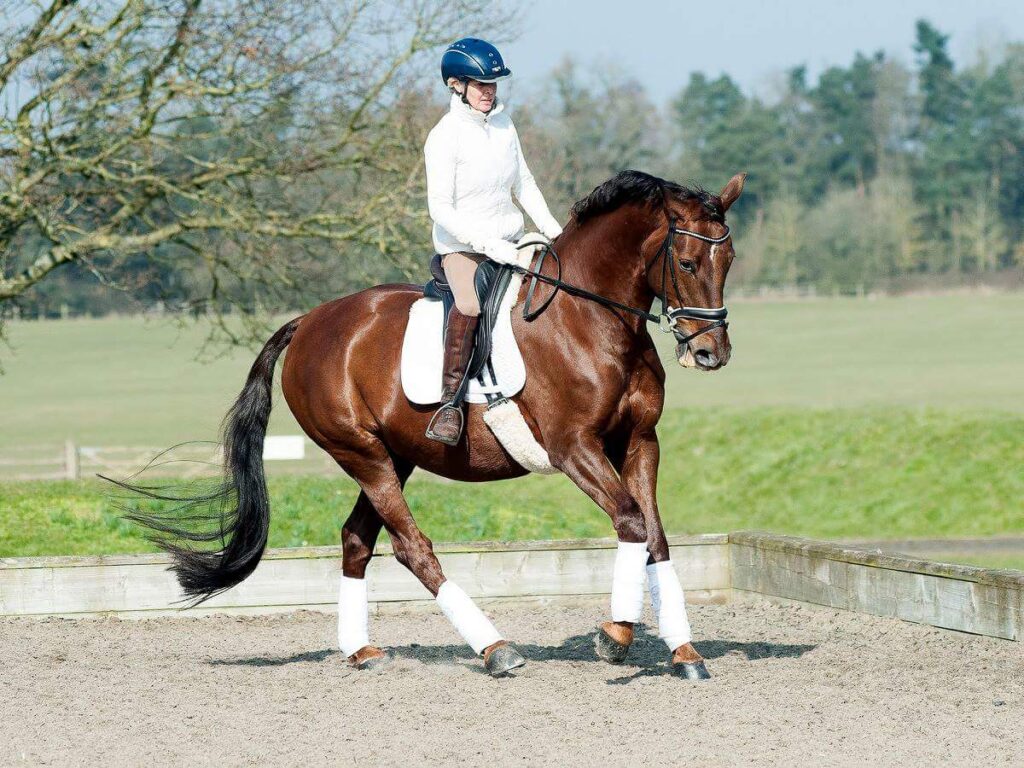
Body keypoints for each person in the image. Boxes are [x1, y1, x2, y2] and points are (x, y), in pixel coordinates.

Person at [423, 37, 563, 445]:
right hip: (463, 248)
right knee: (469, 304)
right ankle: (450, 403)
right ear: (456, 85)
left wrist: (555, 231)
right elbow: (441, 209)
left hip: (512, 240)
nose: (489, 92)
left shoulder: (504, 125)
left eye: (494, 84)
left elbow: (525, 183)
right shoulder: (444, 136)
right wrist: (488, 245)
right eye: (480, 84)